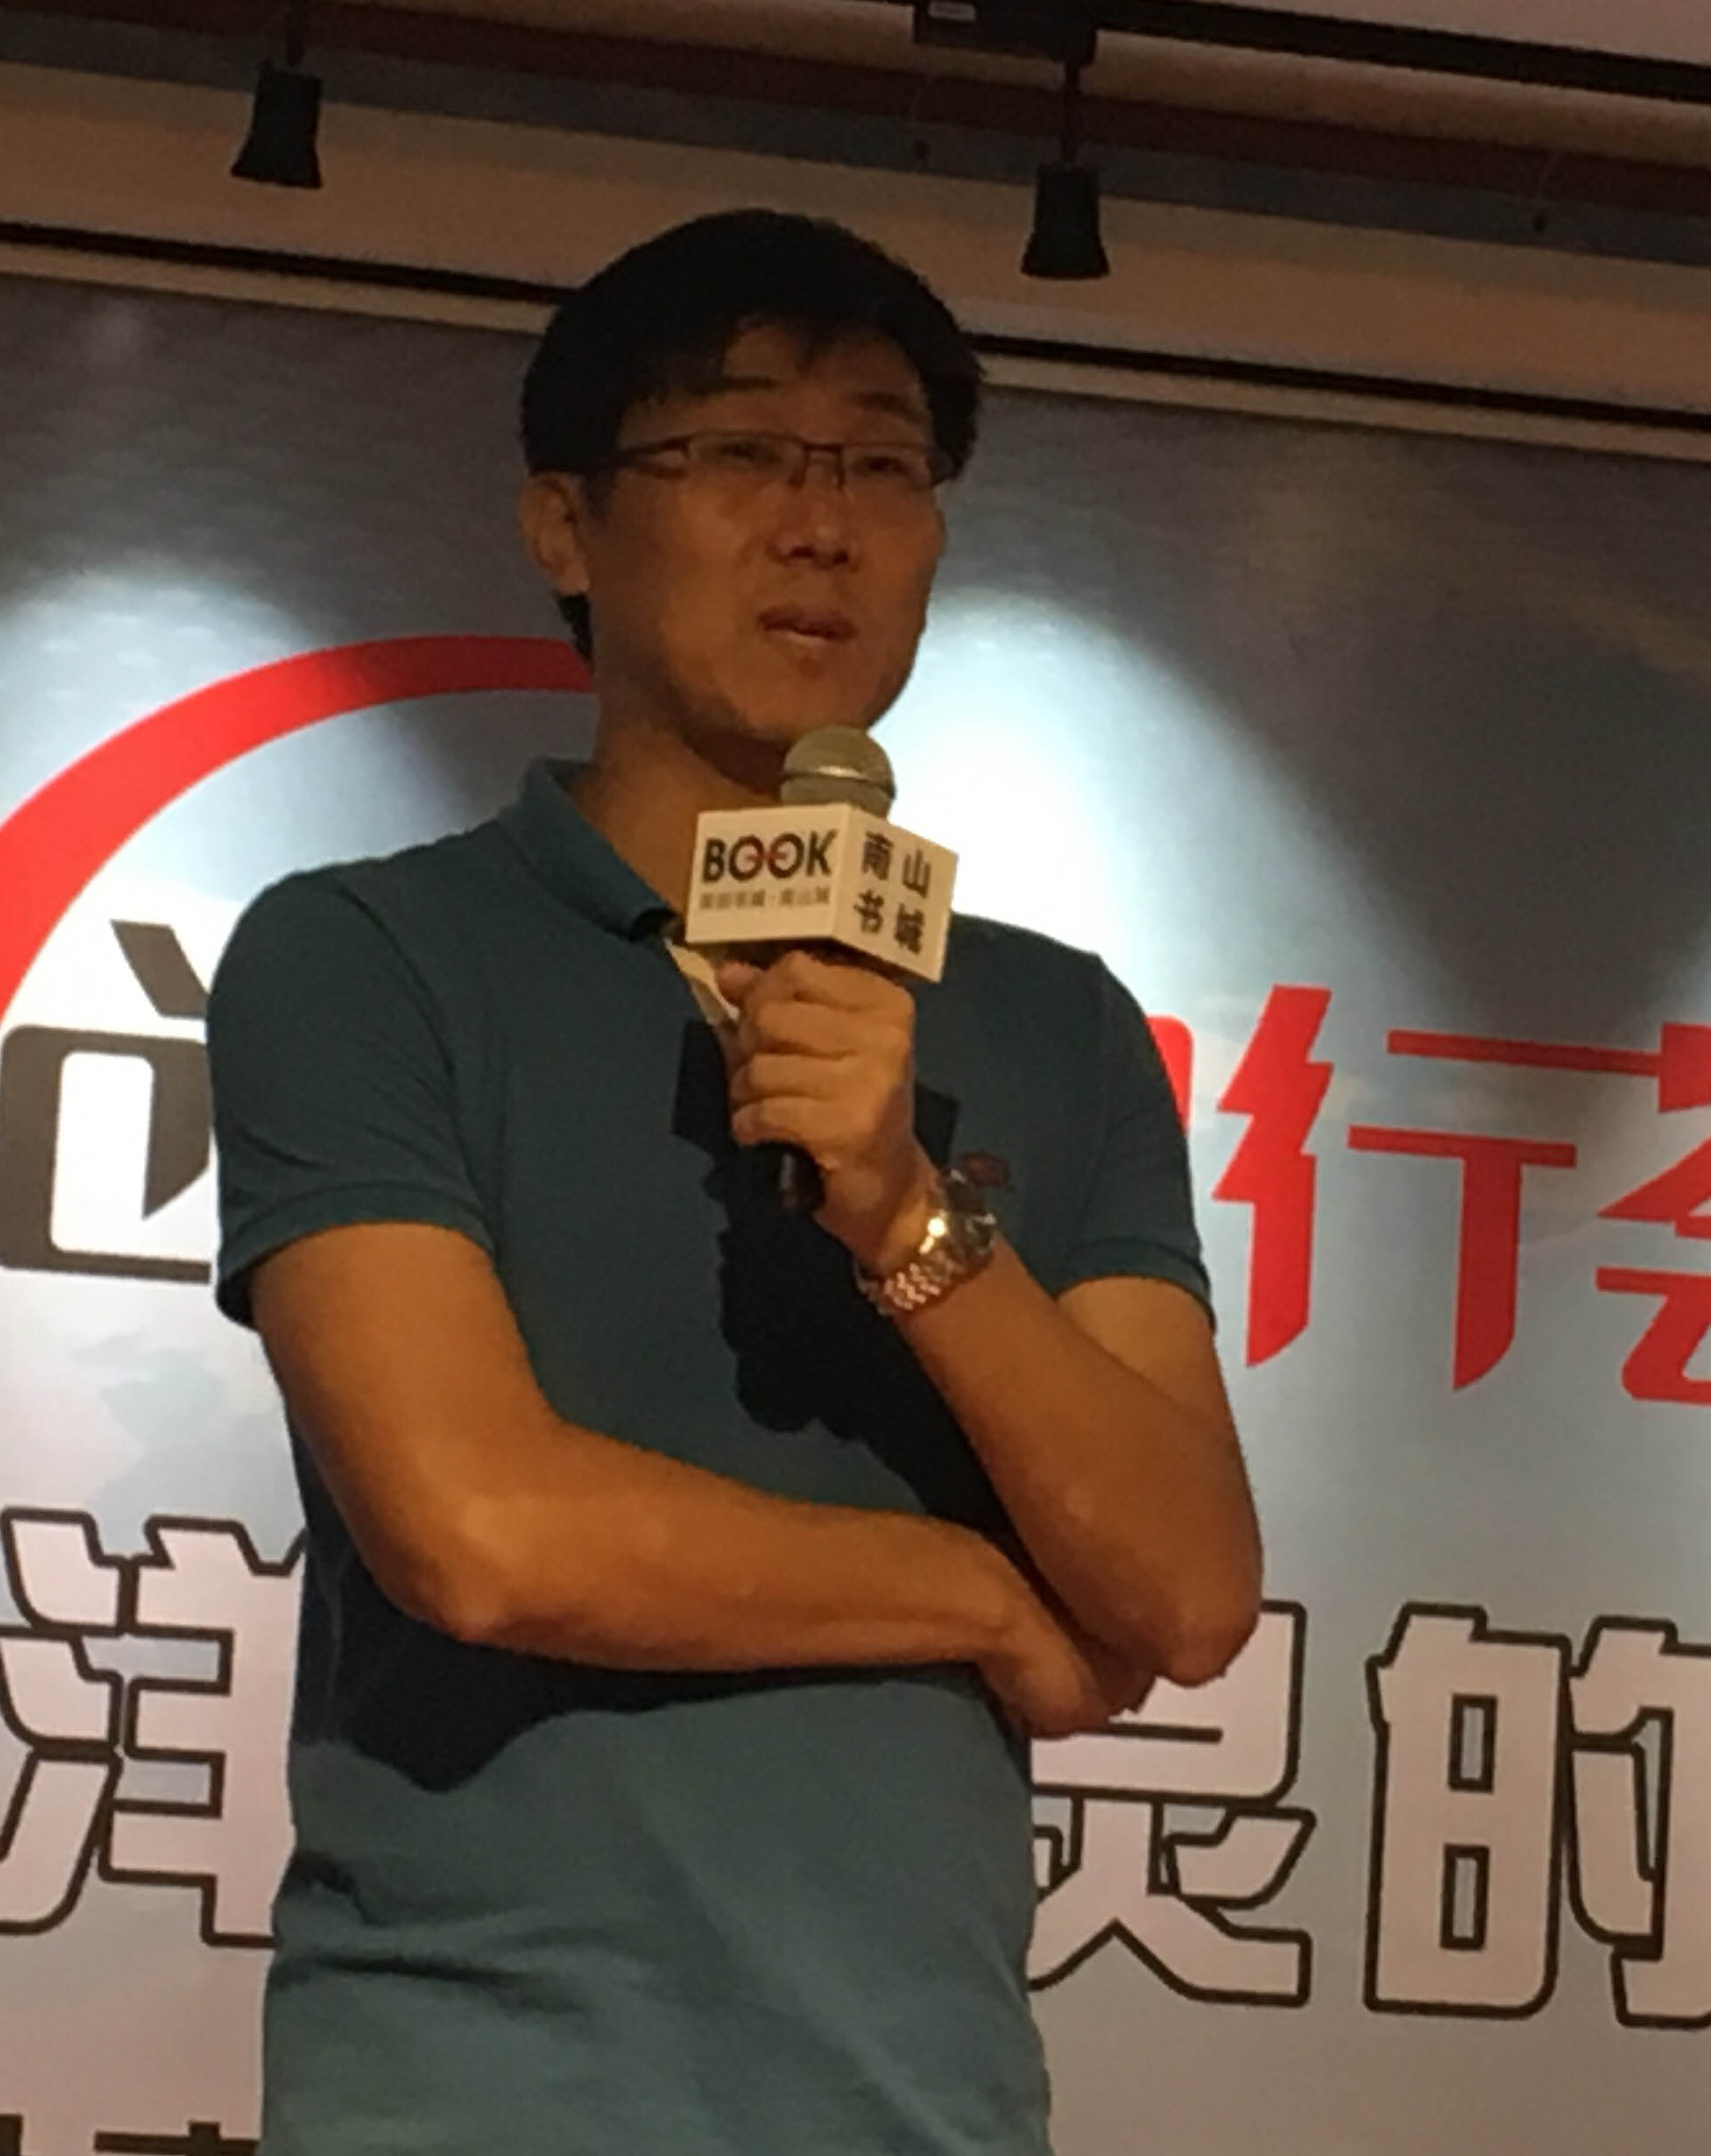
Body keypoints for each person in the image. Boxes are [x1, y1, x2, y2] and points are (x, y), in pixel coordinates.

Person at [206, 208, 1264, 2156]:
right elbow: (480, 1528)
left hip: (920, 2103)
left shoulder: (1058, 1023)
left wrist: (906, 1211)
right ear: (565, 525)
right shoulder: (368, 956)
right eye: (744, 450)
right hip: (480, 2095)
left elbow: (1186, 1590)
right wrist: (971, 1593)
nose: (821, 523)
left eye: (882, 465)